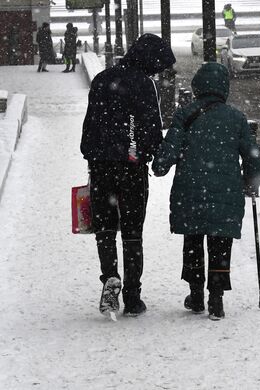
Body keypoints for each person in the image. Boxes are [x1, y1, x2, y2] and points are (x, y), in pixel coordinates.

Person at [152, 62, 260, 321]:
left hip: (190, 190)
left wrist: (160, 165)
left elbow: (170, 148)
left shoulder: (185, 114)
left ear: (197, 87)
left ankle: (196, 296)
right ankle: (216, 297)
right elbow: (253, 156)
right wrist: (251, 182)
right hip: (225, 191)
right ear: (224, 87)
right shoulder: (236, 118)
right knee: (220, 243)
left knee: (192, 242)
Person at [81, 34, 176, 318]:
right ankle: (133, 296)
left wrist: (94, 153)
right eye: (158, 65)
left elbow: (90, 125)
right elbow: (150, 127)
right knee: (133, 233)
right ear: (149, 59)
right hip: (132, 166)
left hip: (101, 166)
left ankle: (110, 277)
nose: (158, 71)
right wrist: (150, 154)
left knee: (106, 229)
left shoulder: (102, 79)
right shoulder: (143, 84)